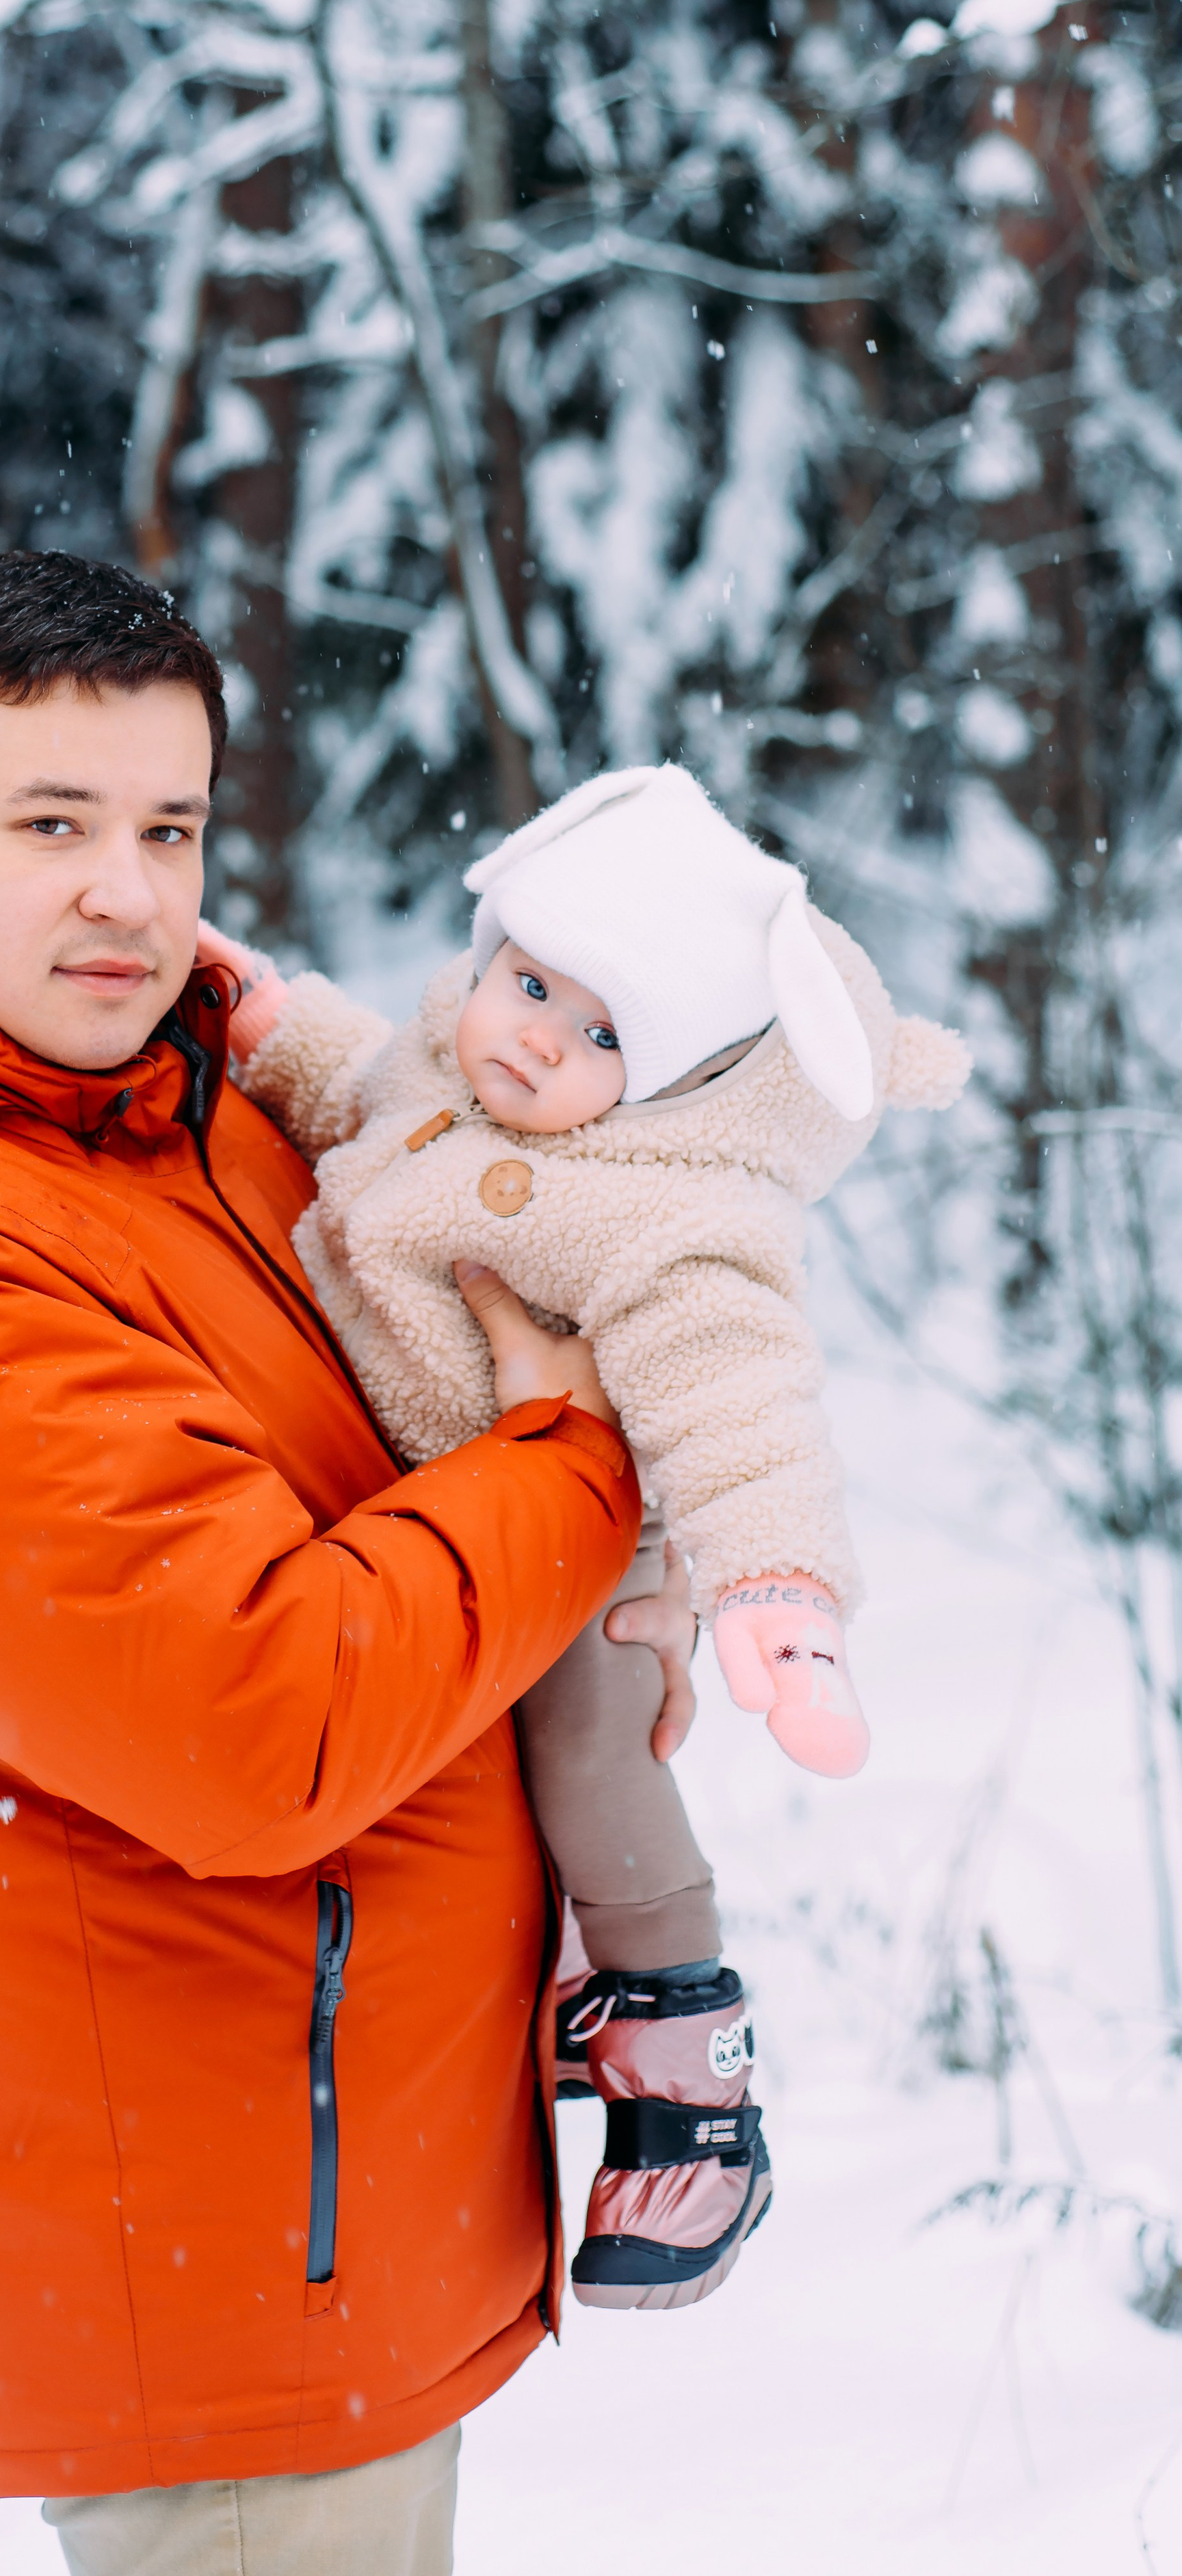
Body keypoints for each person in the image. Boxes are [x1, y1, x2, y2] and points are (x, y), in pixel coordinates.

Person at [0, 550, 699, 2576]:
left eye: (170, 827)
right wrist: (572, 1460)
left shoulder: (154, 1112)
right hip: (223, 2281)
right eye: (50, 825)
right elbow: (266, 1718)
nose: (130, 894)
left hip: (323, 2198)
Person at [196, 762, 969, 2311]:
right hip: (439, 1523)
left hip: (583, 1569)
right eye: (530, 980)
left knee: (589, 1760)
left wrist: (770, 1589)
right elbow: (358, 1083)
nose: (537, 1035)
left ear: (680, 1082)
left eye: (605, 1032)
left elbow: (733, 1390)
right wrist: (269, 1022)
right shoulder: (447, 1076)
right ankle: (546, 1980)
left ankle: (687, 2070)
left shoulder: (659, 1214)